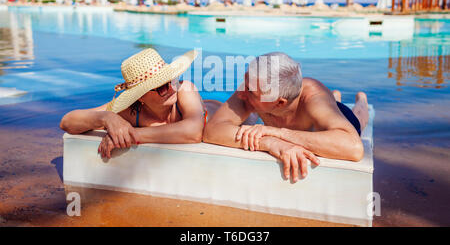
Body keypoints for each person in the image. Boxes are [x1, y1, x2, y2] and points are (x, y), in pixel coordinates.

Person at [204, 52, 369, 182]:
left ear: (280, 103)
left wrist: (278, 133)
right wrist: (269, 141)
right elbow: (212, 130)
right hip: (319, 113)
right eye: (245, 84)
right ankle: (335, 96)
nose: (240, 94)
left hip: (332, 115)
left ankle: (361, 100)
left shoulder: (312, 97)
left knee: (358, 119)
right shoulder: (255, 88)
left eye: (250, 91)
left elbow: (354, 148)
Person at [60, 48, 207, 159]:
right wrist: (106, 118)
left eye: (172, 80)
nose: (171, 88)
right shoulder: (131, 112)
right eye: (162, 87)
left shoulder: (185, 89)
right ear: (140, 97)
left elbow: (193, 132)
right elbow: (67, 122)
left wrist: (131, 135)